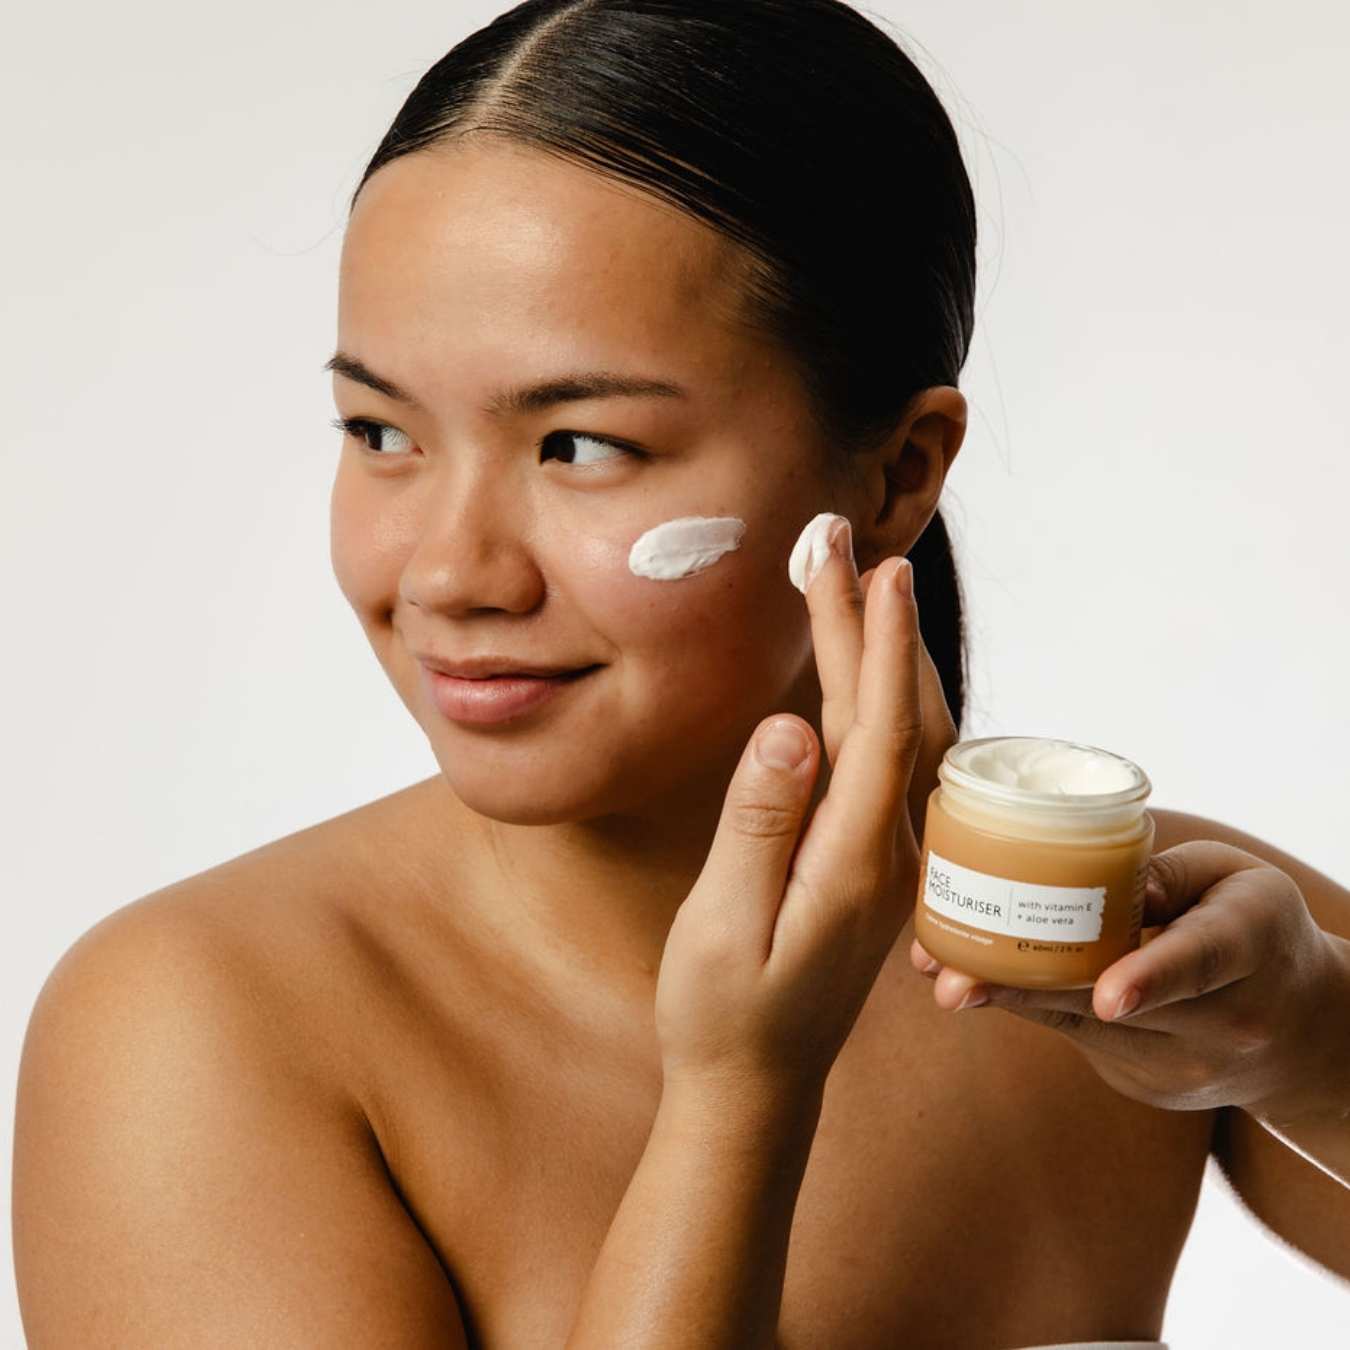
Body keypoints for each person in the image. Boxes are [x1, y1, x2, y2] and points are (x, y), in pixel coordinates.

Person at [13, 1, 1350, 1346]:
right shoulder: (193, 1032)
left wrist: (1317, 1056)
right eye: (378, 430)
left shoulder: (1148, 947)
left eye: (579, 446)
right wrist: (733, 1104)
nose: (446, 573)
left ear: (896, 474)